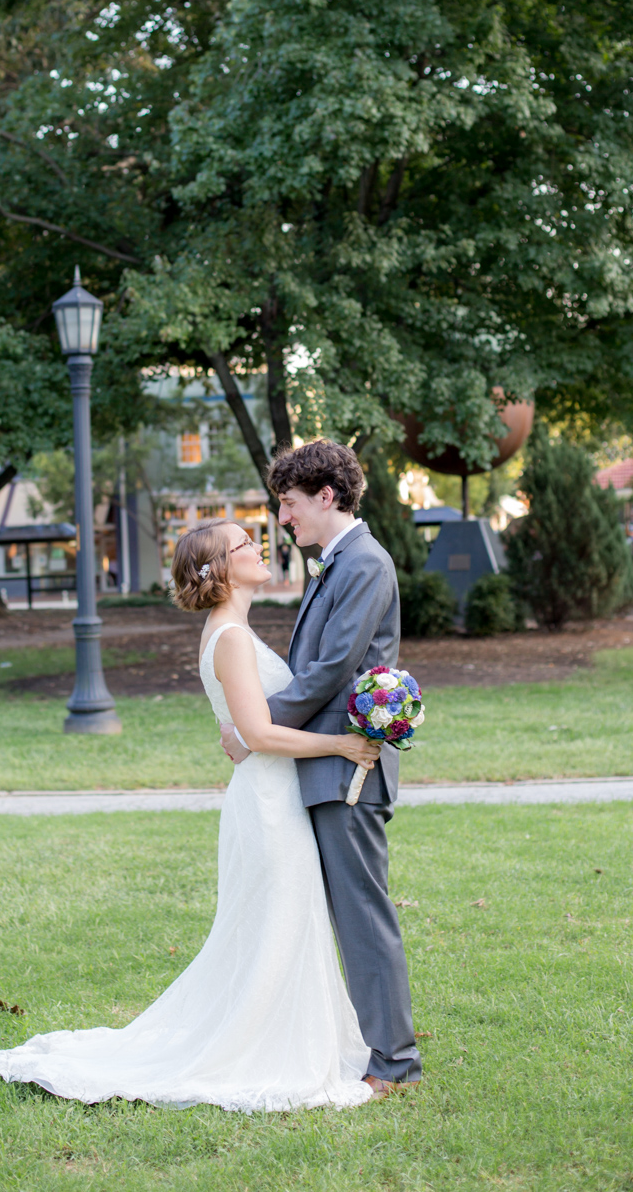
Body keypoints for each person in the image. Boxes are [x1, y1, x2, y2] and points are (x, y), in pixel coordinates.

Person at [0, 516, 382, 1111]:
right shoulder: (230, 637)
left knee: (281, 926)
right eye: (245, 543)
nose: (258, 547)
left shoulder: (234, 631)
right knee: (276, 927)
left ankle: (285, 1040)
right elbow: (257, 734)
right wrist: (342, 745)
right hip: (268, 804)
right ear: (221, 568)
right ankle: (263, 1051)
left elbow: (249, 726)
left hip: (275, 796)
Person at [220, 439, 421, 1096]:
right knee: (347, 913)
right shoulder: (337, 562)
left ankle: (395, 1062)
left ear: (325, 496)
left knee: (362, 914)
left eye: (289, 503)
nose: (283, 517)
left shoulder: (364, 563)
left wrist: (256, 728)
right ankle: (374, 1049)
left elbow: (332, 669)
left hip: (350, 769)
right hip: (327, 765)